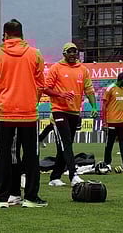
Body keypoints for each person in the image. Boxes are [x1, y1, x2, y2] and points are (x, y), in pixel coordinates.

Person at [0, 19, 50, 208]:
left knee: (4, 156)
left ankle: (2, 198)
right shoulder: (35, 54)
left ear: (6, 35)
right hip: (28, 112)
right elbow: (41, 84)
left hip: (4, 112)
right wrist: (31, 99)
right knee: (31, 156)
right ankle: (31, 197)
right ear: (22, 35)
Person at [45, 42, 97, 187]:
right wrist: (60, 94)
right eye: (70, 51)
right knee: (66, 143)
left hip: (74, 111)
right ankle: (73, 175)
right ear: (64, 54)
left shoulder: (83, 69)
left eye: (75, 51)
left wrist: (94, 106)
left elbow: (89, 89)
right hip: (59, 110)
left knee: (65, 145)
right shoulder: (56, 68)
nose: (73, 54)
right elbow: (46, 88)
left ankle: (55, 177)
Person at [102, 72, 123, 170]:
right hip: (112, 121)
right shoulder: (110, 89)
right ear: (121, 80)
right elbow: (104, 106)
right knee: (109, 143)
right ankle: (107, 163)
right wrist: (104, 122)